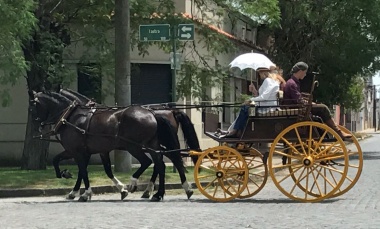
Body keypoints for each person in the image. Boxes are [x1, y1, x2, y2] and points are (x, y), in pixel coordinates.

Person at [283, 61, 352, 139]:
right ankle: (338, 132)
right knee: (323, 108)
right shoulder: (292, 83)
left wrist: (310, 103)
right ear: (300, 71)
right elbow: (298, 100)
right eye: (304, 72)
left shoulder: (293, 82)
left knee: (320, 111)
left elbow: (298, 98)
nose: (305, 75)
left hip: (298, 108)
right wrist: (309, 103)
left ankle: (328, 134)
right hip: (296, 109)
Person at [221, 68, 280, 138]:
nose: (259, 75)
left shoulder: (268, 81)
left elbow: (264, 97)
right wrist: (254, 91)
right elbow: (264, 96)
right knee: (245, 109)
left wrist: (250, 100)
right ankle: (233, 130)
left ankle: (235, 131)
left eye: (259, 73)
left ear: (263, 73)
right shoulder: (272, 81)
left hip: (265, 108)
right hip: (267, 106)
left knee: (245, 108)